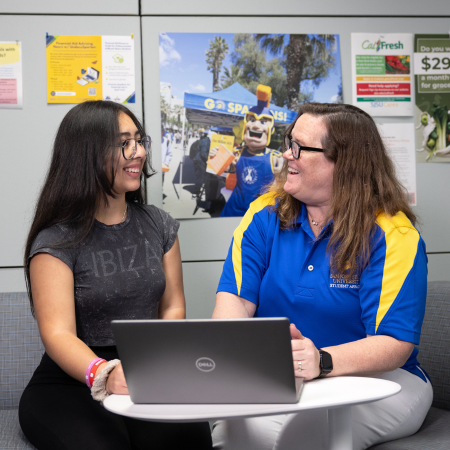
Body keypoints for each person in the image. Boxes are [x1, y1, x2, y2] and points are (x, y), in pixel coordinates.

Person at [212, 103, 432, 450]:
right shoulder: (263, 214)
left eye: (299, 147)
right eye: (288, 142)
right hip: (282, 376)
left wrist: (322, 361)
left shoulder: (393, 234)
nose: (286, 154)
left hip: (383, 380)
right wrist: (237, 355)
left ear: (344, 162)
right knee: (231, 434)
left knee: (305, 436)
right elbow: (235, 301)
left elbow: (394, 344)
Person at [19, 100, 212, 450]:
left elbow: (172, 308)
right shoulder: (55, 241)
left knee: (191, 438)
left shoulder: (158, 225)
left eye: (139, 140)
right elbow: (58, 333)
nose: (137, 152)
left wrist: (156, 367)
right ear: (87, 154)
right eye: (125, 143)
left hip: (146, 370)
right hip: (72, 382)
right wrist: (105, 374)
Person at [213, 85, 283, 217]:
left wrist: (283, 174)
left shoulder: (275, 157)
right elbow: (220, 172)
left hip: (259, 217)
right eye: (252, 120)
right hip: (233, 212)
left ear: (271, 130)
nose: (255, 125)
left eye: (263, 122)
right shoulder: (237, 152)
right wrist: (215, 157)